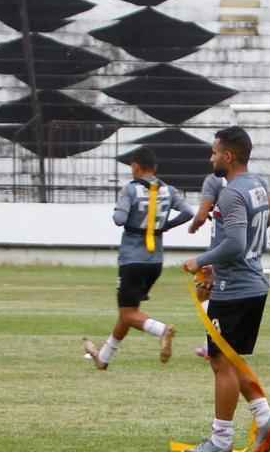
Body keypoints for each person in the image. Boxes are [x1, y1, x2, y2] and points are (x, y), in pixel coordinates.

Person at [182, 126, 270, 452]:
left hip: (235, 289)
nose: (211, 158)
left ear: (228, 156)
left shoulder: (230, 192)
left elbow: (235, 244)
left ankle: (221, 438)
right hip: (251, 283)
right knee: (230, 359)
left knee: (220, 362)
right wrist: (221, 260)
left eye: (214, 152)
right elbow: (269, 218)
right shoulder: (257, 184)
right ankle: (264, 417)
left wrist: (202, 260)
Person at [82, 146, 194, 370]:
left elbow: (119, 219)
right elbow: (188, 213)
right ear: (154, 168)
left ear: (135, 166)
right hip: (155, 261)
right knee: (129, 312)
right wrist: (165, 226)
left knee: (128, 313)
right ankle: (103, 358)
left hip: (132, 259)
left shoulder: (130, 190)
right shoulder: (168, 190)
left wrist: (124, 210)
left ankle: (162, 330)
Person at [187, 167, 228, 359]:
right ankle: (216, 343)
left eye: (214, 153)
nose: (212, 158)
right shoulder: (251, 181)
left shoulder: (214, 181)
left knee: (203, 290)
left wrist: (193, 227)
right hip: (242, 246)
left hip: (221, 247)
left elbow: (202, 215)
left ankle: (213, 344)